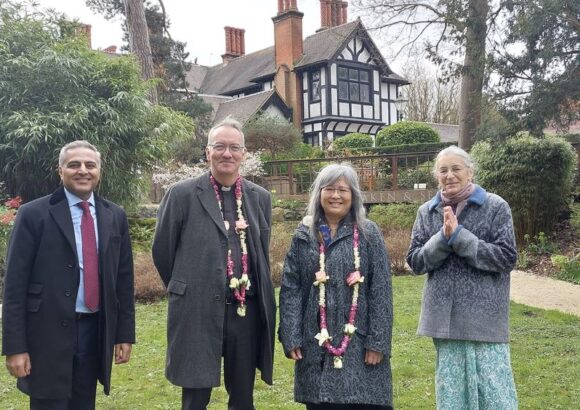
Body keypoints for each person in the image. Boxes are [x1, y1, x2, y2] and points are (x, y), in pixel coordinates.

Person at [152, 116, 276, 410]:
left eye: (235, 148)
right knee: (195, 398)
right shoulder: (181, 194)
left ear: (244, 154)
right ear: (207, 152)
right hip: (196, 308)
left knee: (243, 397)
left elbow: (260, 250)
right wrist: (189, 284)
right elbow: (163, 251)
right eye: (219, 146)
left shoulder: (259, 197)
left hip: (245, 310)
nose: (227, 154)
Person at [2, 140, 135, 409]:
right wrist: (15, 347)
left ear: (99, 171)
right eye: (74, 165)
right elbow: (15, 286)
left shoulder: (114, 216)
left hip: (93, 330)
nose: (82, 170)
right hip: (46, 333)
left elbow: (122, 280)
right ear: (60, 171)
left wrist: (123, 334)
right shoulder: (33, 215)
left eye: (90, 165)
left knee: (84, 402)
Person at [406, 145, 518, 409]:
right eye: (443, 170)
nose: (450, 175)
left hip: (484, 320)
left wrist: (460, 237)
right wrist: (443, 240)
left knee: (495, 395)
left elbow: (505, 257)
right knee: (452, 398)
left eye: (456, 168)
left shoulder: (495, 206)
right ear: (437, 175)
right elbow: (415, 262)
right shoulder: (427, 211)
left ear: (470, 172)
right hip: (443, 321)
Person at [279, 163, 393, 410]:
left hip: (360, 346)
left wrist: (378, 342)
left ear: (354, 195)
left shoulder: (368, 233)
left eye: (343, 190)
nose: (335, 196)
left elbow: (381, 289)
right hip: (316, 344)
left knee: (361, 400)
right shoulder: (304, 235)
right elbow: (291, 289)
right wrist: (291, 335)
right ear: (319, 194)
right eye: (329, 189)